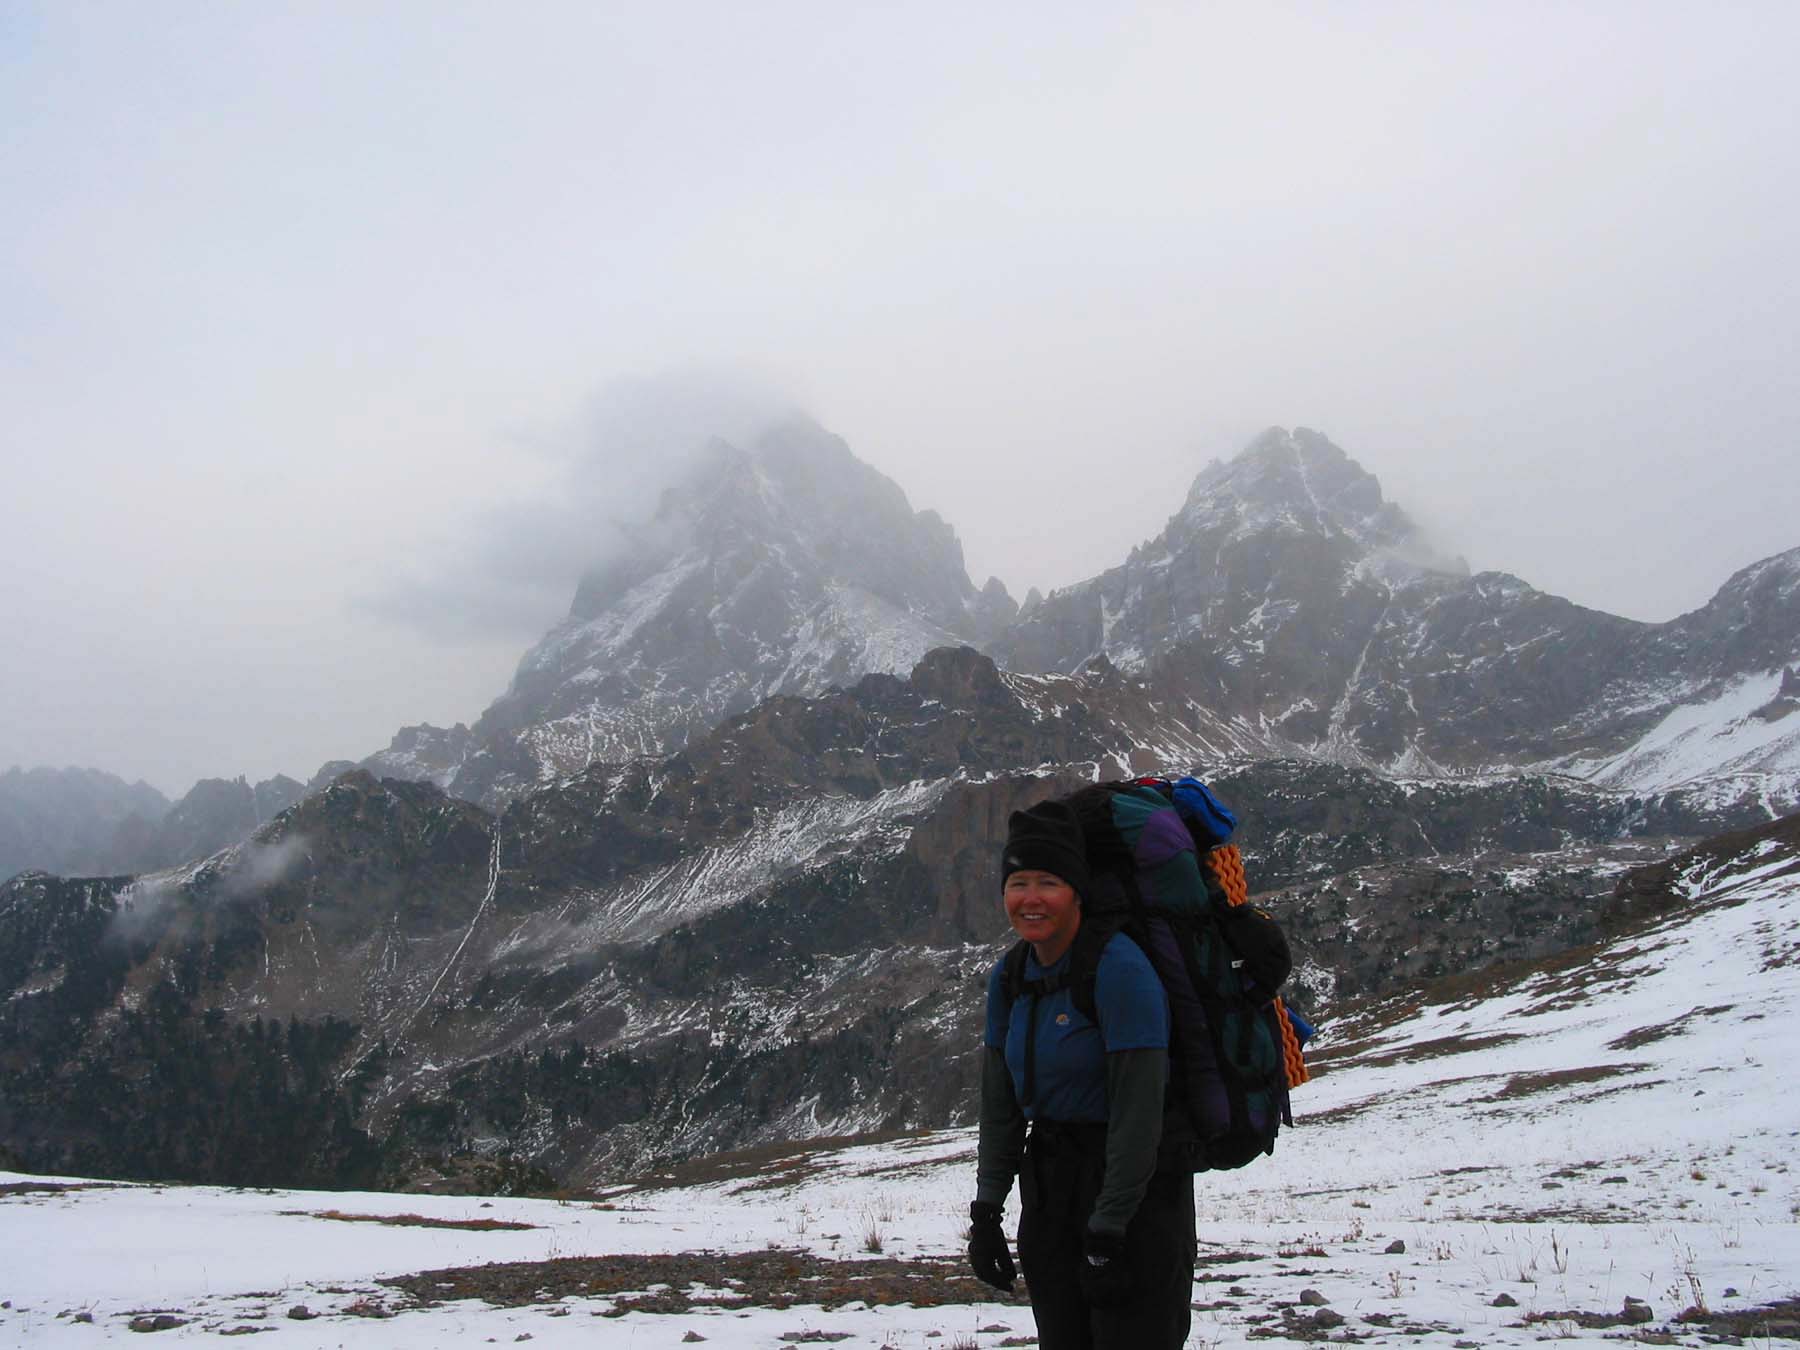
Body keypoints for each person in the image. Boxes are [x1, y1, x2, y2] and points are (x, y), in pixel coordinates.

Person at [966, 797, 1197, 1350]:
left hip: (1135, 1200)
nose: (1030, 899)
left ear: (1077, 890)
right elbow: (1000, 1108)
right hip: (1048, 1192)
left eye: (1048, 881)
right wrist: (987, 1212)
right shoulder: (1012, 975)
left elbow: (1139, 1113)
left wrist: (1110, 1230)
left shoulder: (1120, 970)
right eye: (1018, 883)